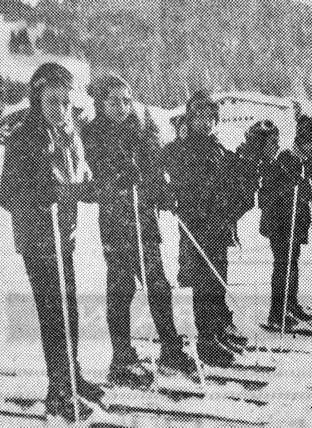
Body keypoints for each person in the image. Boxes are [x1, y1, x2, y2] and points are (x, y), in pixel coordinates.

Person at [0, 62, 103, 423]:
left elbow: (80, 178)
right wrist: (45, 194)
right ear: (37, 99)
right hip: (38, 237)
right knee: (54, 314)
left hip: (65, 236)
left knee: (69, 310)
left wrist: (94, 188)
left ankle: (71, 375)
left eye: (64, 101)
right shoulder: (23, 138)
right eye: (51, 101)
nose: (59, 109)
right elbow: (6, 194)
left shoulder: (70, 134)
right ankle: (58, 391)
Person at [82, 74, 197, 387]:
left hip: (143, 220)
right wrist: (114, 181)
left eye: (125, 100)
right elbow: (89, 183)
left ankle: (170, 349)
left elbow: (155, 171)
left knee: (158, 283)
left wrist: (162, 190)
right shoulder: (92, 134)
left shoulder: (141, 130)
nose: (121, 106)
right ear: (100, 103)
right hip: (116, 224)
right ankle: (121, 356)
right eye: (113, 100)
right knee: (121, 288)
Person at [161, 91, 269, 367]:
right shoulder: (182, 147)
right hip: (197, 224)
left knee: (218, 279)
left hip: (217, 224)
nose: (206, 123)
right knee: (204, 283)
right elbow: (167, 169)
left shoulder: (215, 145)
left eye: (210, 118)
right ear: (190, 118)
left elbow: (230, 169)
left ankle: (218, 331)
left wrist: (247, 164)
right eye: (200, 117)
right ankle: (206, 340)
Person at [258, 115, 312, 330]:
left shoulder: (311, 163)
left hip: (298, 221)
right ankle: (277, 313)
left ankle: (290, 305)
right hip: (279, 223)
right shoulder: (282, 161)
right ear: (301, 141)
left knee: (292, 263)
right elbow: (266, 195)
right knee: (283, 265)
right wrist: (293, 190)